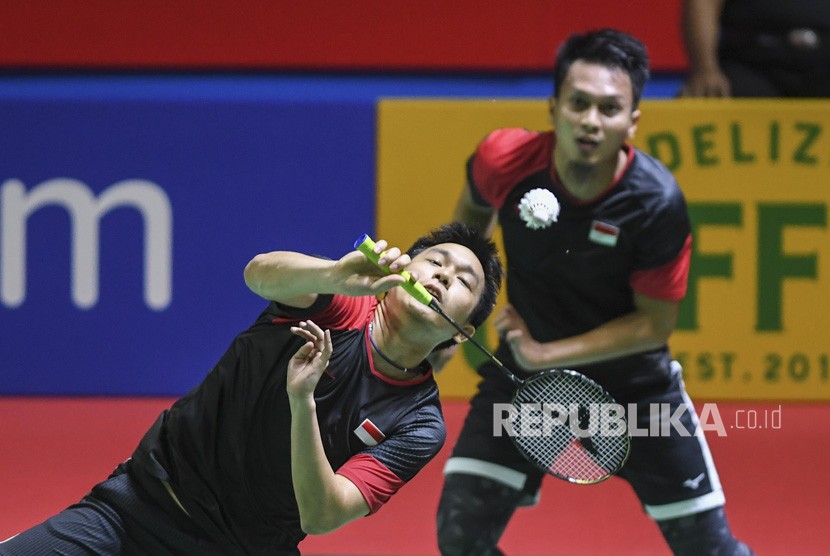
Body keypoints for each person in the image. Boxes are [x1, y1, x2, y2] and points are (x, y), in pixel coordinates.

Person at [0, 222, 502, 556]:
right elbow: (259, 274)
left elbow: (323, 515)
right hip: (141, 507)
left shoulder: (419, 423)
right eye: (435, 261)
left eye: (462, 281)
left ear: (461, 333)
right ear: (402, 271)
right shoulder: (337, 303)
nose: (442, 276)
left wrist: (301, 402)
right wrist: (332, 273)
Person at [437, 29, 754, 556]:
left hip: (635, 392)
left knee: (709, 549)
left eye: (610, 109)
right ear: (554, 105)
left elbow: (655, 324)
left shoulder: (654, 203)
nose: (590, 121)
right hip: (525, 386)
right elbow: (470, 223)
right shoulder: (504, 159)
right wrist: (457, 315)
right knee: (461, 537)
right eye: (578, 103)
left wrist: (546, 354)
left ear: (633, 121)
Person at [680, 0, 830, 97]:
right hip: (752, 62)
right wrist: (706, 69)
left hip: (823, 62)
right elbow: (703, 3)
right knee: (712, 98)